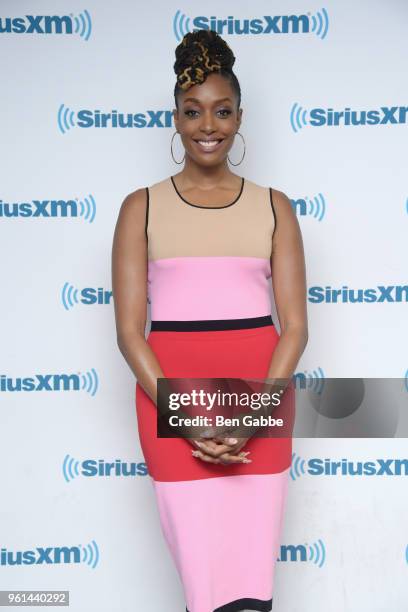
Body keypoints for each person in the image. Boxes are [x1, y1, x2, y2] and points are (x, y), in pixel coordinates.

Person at [112, 29, 308, 612]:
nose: (208, 126)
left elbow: (294, 328)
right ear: (175, 118)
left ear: (240, 117)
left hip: (260, 402)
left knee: (251, 591)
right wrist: (190, 421)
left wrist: (253, 416)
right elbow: (128, 334)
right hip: (172, 405)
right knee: (205, 589)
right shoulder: (140, 208)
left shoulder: (275, 206)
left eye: (222, 112)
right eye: (193, 112)